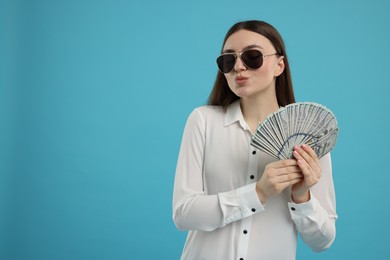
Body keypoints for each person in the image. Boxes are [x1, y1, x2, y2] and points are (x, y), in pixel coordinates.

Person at [172, 20, 337, 260]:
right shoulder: (203, 121)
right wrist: (258, 192)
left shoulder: (310, 136)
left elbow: (323, 241)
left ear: (280, 65)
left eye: (252, 56)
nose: (239, 66)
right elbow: (183, 213)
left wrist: (302, 197)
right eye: (228, 60)